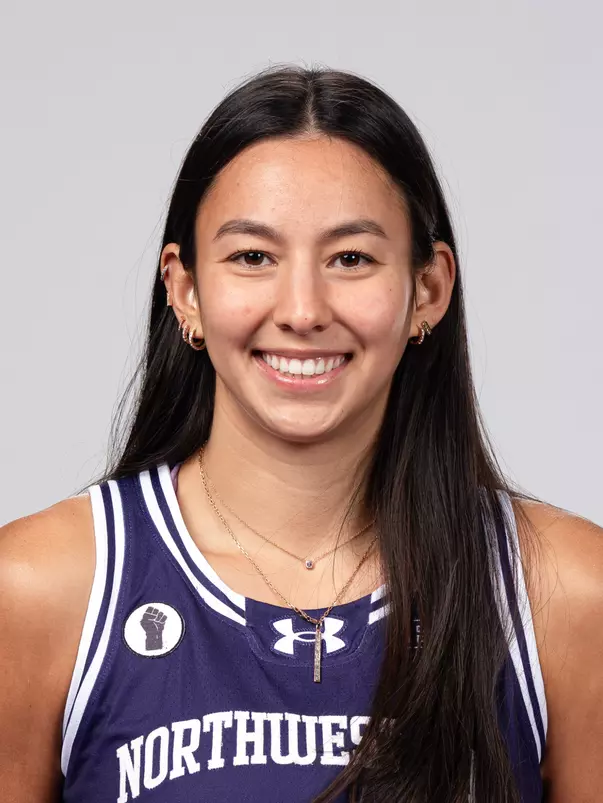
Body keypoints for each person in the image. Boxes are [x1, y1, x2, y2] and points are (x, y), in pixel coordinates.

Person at [1, 65, 601, 803]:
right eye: (252, 256)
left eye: (351, 258)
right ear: (185, 291)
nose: (302, 309)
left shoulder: (563, 593)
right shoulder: (41, 588)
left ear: (429, 290)